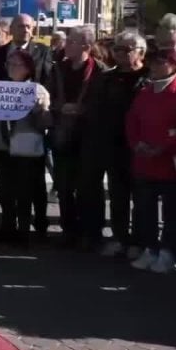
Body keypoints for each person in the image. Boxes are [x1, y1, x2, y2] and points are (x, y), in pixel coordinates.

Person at [125, 48, 176, 275]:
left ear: (174, 65)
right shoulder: (146, 90)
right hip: (145, 161)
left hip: (171, 163)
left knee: (172, 213)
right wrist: (136, 143)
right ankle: (150, 248)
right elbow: (132, 120)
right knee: (145, 209)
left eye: (161, 62)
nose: (155, 66)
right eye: (153, 62)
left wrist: (164, 149)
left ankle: (168, 252)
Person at [79, 30, 148, 256]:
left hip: (140, 146)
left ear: (141, 52)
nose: (120, 54)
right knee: (118, 195)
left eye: (126, 50)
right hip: (109, 144)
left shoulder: (149, 78)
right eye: (117, 49)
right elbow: (93, 108)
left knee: (141, 197)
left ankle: (139, 241)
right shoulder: (106, 77)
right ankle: (119, 237)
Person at [0, 50, 52, 246]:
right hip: (3, 146)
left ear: (28, 68)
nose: (12, 68)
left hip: (26, 148)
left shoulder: (36, 90)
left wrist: (38, 110)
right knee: (5, 191)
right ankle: (8, 226)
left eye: (17, 65)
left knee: (25, 191)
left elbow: (45, 124)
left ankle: (24, 230)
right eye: (10, 64)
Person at [48, 27, 102, 247]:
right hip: (63, 133)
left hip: (89, 136)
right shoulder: (58, 69)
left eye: (71, 42)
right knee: (64, 185)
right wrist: (59, 108)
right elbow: (48, 96)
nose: (66, 45)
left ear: (86, 47)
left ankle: (91, 231)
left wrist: (84, 109)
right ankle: (69, 230)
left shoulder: (100, 71)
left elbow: (103, 104)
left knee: (88, 186)